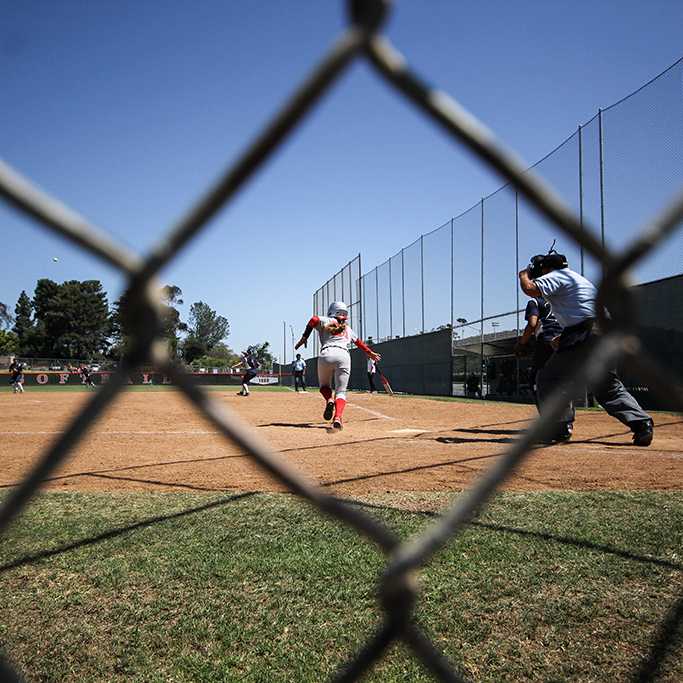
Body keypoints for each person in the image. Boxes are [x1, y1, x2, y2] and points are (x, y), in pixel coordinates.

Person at [518, 248, 653, 446]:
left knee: (550, 378)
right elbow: (582, 312)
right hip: (602, 332)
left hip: (583, 334)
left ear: (547, 268)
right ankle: (642, 424)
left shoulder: (556, 275)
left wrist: (523, 275)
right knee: (607, 385)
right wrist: (564, 337)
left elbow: (530, 289)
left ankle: (560, 426)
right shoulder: (578, 279)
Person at [295, 301, 381, 430]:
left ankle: (329, 400)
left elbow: (313, 319)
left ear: (332, 311)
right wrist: (371, 353)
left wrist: (304, 337)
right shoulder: (347, 328)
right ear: (345, 314)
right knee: (341, 391)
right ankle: (338, 417)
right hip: (343, 356)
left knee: (324, 387)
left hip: (326, 353)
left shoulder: (326, 320)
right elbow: (359, 343)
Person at [515, 296, 563, 407]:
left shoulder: (535, 301)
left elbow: (532, 324)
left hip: (546, 341)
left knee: (536, 380)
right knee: (561, 381)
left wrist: (521, 343)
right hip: (565, 341)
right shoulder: (561, 300)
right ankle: (566, 421)